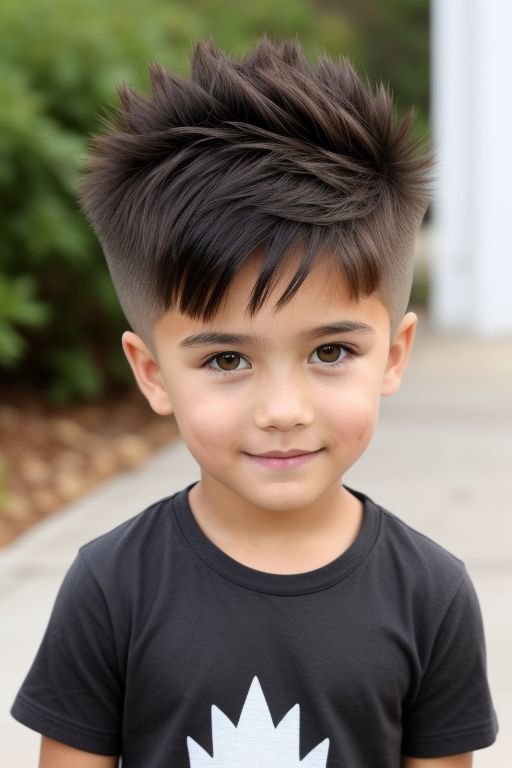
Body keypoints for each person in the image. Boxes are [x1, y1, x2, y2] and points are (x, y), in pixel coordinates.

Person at [11, 35, 497, 768]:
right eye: (227, 359)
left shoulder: (431, 595)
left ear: (393, 356)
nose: (283, 409)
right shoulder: (112, 588)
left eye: (331, 352)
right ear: (152, 374)